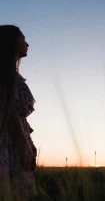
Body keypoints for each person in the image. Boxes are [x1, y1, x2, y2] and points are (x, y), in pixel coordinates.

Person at [0, 25, 38, 200]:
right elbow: (8, 112)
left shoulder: (11, 73)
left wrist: (28, 142)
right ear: (12, 42)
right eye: (23, 39)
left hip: (15, 139)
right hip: (9, 142)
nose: (27, 44)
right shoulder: (3, 73)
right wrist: (23, 144)